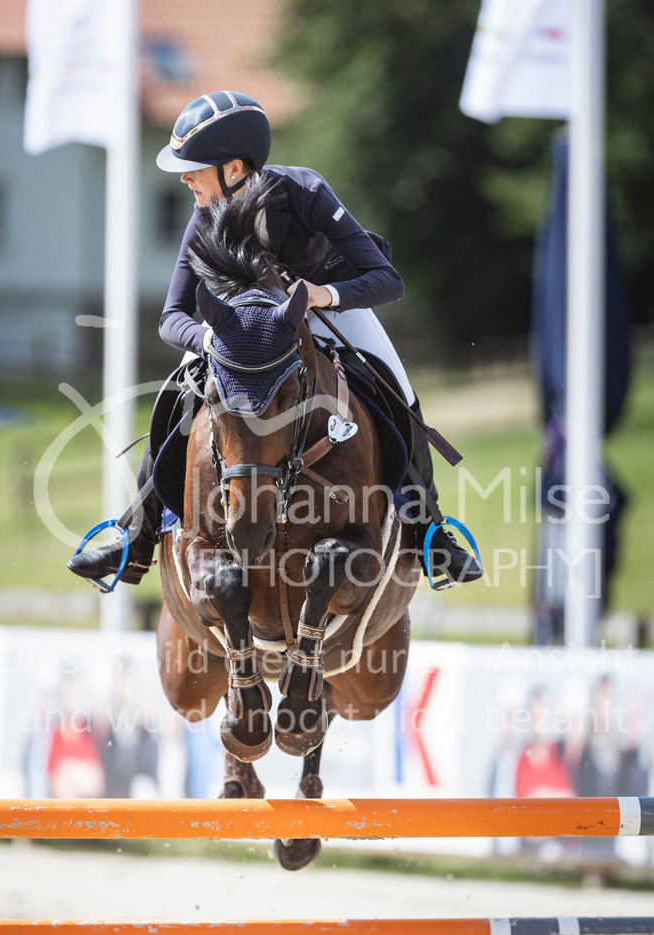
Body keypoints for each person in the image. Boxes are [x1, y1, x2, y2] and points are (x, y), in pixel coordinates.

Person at [68, 90, 482, 588]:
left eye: (195, 166)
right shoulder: (205, 215)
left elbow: (387, 280)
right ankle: (134, 539)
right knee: (178, 395)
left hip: (326, 310)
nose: (184, 178)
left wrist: (322, 295)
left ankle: (430, 534)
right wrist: (206, 342)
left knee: (399, 391)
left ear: (236, 168)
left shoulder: (305, 192)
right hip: (243, 334)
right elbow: (171, 316)